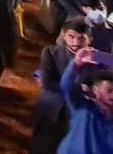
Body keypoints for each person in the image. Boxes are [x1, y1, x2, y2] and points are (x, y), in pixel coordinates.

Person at [32, 19, 91, 154]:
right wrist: (79, 89)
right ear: (63, 36)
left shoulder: (94, 60)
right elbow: (47, 82)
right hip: (53, 109)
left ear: (89, 40)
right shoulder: (51, 52)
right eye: (71, 36)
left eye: (81, 38)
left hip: (78, 112)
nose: (75, 42)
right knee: (44, 145)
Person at [56, 48, 113, 153]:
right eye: (109, 90)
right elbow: (67, 86)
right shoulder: (82, 106)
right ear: (95, 90)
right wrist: (76, 64)